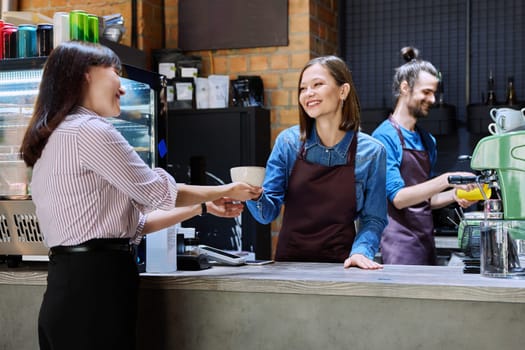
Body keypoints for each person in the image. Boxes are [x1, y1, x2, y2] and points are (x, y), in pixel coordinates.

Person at [19, 41, 262, 350]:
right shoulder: (91, 131)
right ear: (86, 76)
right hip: (95, 291)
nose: (122, 86)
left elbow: (134, 225)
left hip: (67, 288)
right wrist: (228, 188)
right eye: (114, 72)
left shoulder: (56, 133)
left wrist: (200, 208)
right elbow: (159, 192)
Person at [246, 55, 388, 269]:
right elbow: (267, 214)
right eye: (303, 88)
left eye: (317, 85)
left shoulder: (372, 153)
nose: (308, 93)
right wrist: (253, 194)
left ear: (343, 91)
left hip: (345, 266)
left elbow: (373, 219)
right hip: (289, 267)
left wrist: (361, 252)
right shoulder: (288, 143)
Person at [371, 47, 477, 265]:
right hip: (398, 248)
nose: (433, 99)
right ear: (405, 88)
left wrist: (453, 195)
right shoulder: (384, 137)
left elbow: (425, 199)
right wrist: (447, 180)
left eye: (434, 93)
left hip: (426, 244)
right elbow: (399, 199)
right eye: (426, 92)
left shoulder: (428, 140)